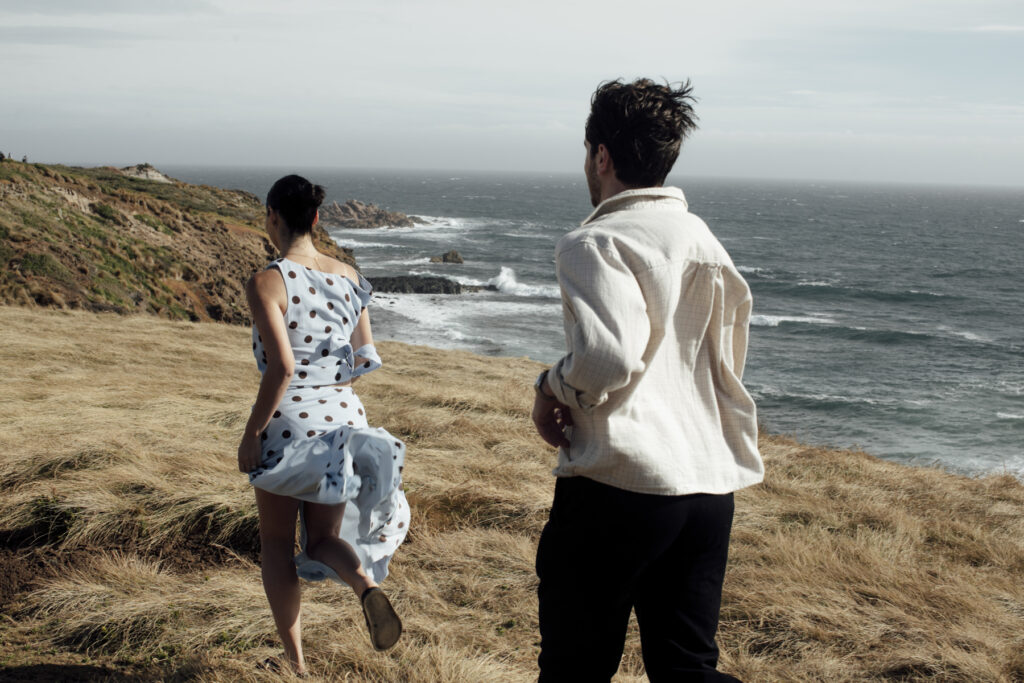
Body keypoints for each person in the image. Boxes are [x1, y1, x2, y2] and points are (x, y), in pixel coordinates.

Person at [531, 79, 764, 682]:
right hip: (709, 488)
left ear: (601, 155)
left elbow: (606, 359)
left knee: (574, 669)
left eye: (589, 152)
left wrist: (550, 388)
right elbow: (727, 360)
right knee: (686, 667)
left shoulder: (595, 241)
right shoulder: (704, 240)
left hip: (619, 482)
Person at [238, 174, 408, 675]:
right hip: (343, 420)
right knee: (321, 539)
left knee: (276, 543)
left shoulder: (268, 280)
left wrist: (251, 433)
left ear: (272, 217)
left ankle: (296, 664)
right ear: (316, 219)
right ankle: (367, 588)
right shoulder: (351, 277)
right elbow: (364, 356)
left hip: (288, 421)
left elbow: (282, 367)